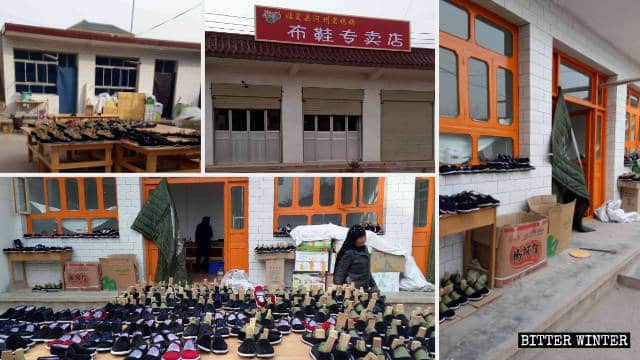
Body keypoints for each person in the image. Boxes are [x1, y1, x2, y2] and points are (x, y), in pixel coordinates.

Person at [333, 225, 378, 291]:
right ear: (353, 239)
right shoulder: (349, 253)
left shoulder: (365, 249)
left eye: (363, 236)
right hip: (351, 291)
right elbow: (340, 273)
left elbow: (367, 271)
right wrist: (338, 292)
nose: (363, 239)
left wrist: (374, 286)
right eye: (359, 238)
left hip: (364, 290)